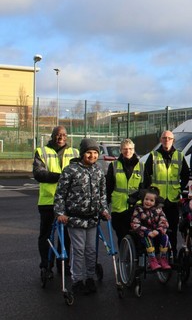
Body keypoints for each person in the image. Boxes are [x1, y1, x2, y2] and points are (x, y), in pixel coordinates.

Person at [54, 138, 111, 295]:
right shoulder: (70, 170)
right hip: (75, 218)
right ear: (82, 153)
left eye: (94, 153)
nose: (92, 156)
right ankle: (77, 280)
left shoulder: (98, 171)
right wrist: (60, 213)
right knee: (78, 250)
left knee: (91, 250)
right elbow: (60, 194)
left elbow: (102, 195)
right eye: (88, 152)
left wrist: (104, 210)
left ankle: (90, 278)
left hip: (92, 218)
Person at [33, 125, 79, 279]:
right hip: (48, 201)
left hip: (68, 202)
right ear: (52, 136)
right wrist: (62, 177)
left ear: (67, 137)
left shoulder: (74, 152)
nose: (61, 137)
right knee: (46, 235)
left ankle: (63, 265)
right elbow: (39, 174)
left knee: (66, 236)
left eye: (64, 135)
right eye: (58, 135)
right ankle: (46, 265)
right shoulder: (42, 151)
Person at [144, 130, 190, 256]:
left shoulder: (179, 156)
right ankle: (159, 254)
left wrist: (180, 188)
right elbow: (147, 176)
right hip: (158, 200)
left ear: (173, 140)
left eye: (169, 138)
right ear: (160, 140)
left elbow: (186, 174)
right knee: (157, 229)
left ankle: (172, 253)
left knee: (172, 229)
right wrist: (151, 193)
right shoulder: (153, 155)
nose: (167, 140)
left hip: (173, 200)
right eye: (164, 138)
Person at [106, 138, 144, 245]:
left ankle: (133, 260)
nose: (128, 151)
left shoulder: (141, 166)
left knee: (136, 236)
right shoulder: (113, 166)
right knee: (121, 236)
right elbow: (108, 187)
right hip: (119, 208)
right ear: (121, 150)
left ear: (134, 149)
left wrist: (136, 197)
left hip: (135, 207)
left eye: (130, 149)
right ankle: (123, 259)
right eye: (125, 149)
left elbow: (144, 187)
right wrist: (104, 206)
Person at [130, 187, 171, 270]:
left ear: (155, 202)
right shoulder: (139, 210)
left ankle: (163, 258)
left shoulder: (159, 210)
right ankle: (152, 259)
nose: (148, 202)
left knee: (165, 237)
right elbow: (135, 223)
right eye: (146, 199)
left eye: (151, 200)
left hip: (156, 232)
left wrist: (158, 230)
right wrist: (147, 232)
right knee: (147, 239)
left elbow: (164, 222)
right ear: (143, 199)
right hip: (144, 234)